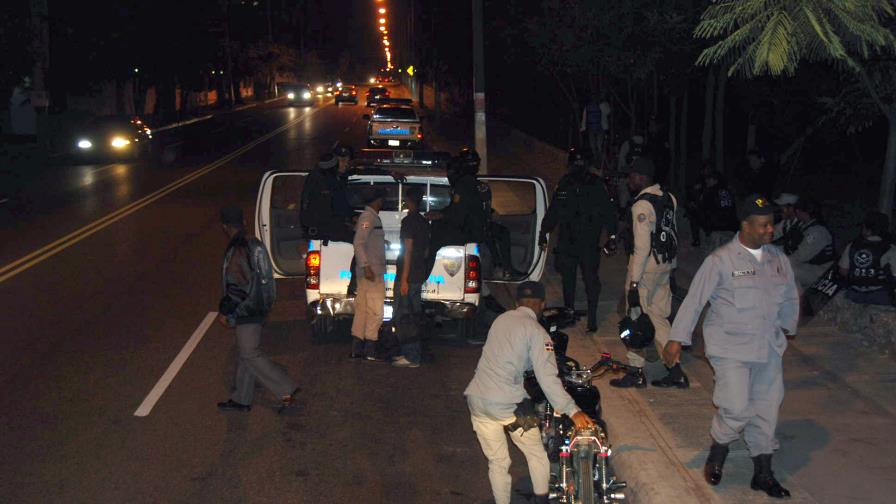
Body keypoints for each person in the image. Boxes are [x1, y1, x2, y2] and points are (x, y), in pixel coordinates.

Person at [663, 195, 799, 499]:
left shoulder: (778, 259)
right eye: (763, 225)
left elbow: (789, 296)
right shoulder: (720, 260)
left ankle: (763, 474)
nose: (770, 231)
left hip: (768, 347)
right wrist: (676, 339)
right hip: (730, 348)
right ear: (745, 225)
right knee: (736, 407)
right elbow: (695, 299)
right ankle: (719, 448)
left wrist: (789, 327)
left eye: (771, 225)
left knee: (767, 410)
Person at [464, 281, 596, 504]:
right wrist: (573, 411)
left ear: (517, 303)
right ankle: (541, 500)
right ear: (542, 304)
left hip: (477, 398)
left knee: (498, 461)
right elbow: (547, 378)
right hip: (507, 404)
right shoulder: (537, 332)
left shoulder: (501, 320)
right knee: (536, 453)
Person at [610, 157, 689, 389]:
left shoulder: (641, 205)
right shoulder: (669, 198)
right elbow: (672, 234)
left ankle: (635, 372)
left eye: (632, 176)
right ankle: (675, 370)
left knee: (635, 318)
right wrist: (671, 267)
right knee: (658, 317)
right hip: (664, 266)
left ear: (642, 177)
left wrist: (634, 284)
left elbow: (642, 245)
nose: (628, 180)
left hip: (645, 270)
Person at [216, 205, 299, 413]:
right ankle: (242, 399)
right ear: (243, 222)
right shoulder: (254, 243)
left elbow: (237, 285)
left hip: (248, 309)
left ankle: (286, 390)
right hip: (260, 305)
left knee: (250, 353)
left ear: (225, 227)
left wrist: (225, 311)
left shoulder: (238, 249)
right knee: (246, 353)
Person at [539, 148, 617, 332]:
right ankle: (586, 316)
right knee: (585, 279)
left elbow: (554, 211)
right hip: (584, 242)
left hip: (573, 242)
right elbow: (609, 213)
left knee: (574, 280)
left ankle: (575, 314)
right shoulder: (593, 184)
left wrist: (544, 230)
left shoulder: (567, 183)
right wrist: (612, 236)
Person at [392, 186, 430, 368]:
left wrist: (404, 279)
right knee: (413, 315)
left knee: (404, 316)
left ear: (410, 201)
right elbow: (424, 251)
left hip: (408, 275)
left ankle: (411, 355)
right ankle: (411, 353)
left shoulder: (408, 222)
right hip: (418, 273)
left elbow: (408, 250)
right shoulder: (423, 222)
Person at [350, 187, 387, 361]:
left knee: (362, 309)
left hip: (368, 271)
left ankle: (357, 349)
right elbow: (359, 242)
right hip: (372, 272)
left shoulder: (369, 217)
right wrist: (366, 266)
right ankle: (370, 348)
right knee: (375, 311)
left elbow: (366, 241)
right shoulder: (368, 217)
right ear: (377, 200)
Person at [838, 211, 896, 306]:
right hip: (879, 295)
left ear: (867, 229)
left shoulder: (852, 245)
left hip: (854, 293)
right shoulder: (890, 248)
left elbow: (843, 271)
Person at [300, 152, 354, 243]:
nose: (346, 164)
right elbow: (339, 205)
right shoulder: (329, 182)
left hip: (316, 228)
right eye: (342, 161)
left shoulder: (315, 176)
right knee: (362, 239)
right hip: (327, 229)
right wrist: (352, 217)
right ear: (334, 166)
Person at [787, 198, 835, 289]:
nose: (796, 212)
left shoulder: (817, 231)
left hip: (821, 271)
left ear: (803, 212)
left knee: (786, 270)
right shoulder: (803, 224)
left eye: (798, 210)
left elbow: (801, 256)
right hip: (808, 265)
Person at [699, 171, 739, 252]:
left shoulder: (711, 192)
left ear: (715, 180)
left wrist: (707, 227)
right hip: (732, 227)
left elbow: (705, 211)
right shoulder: (728, 191)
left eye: (709, 179)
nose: (706, 181)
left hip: (717, 227)